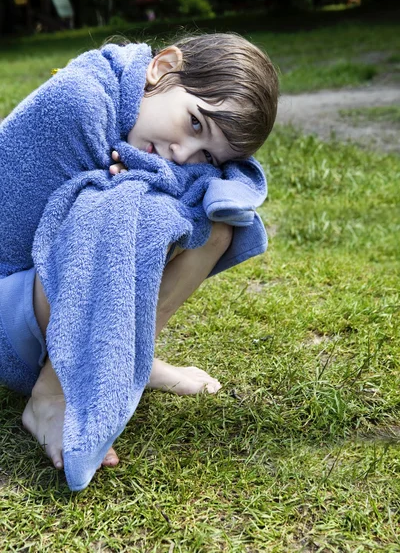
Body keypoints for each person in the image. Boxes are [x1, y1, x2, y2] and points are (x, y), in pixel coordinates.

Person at [0, 33, 279, 477]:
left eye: (205, 154)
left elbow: (221, 191)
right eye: (194, 124)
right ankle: (50, 396)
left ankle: (129, 357)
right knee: (129, 209)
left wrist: (145, 177)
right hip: (6, 312)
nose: (182, 155)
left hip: (48, 304)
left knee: (216, 223)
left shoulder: (140, 119)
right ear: (162, 68)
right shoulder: (80, 103)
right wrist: (133, 185)